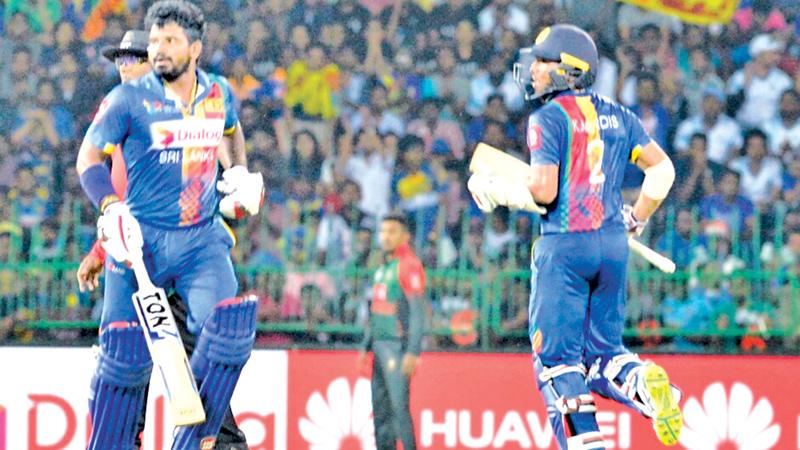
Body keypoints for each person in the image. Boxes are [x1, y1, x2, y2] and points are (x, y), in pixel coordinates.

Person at [468, 24, 681, 449]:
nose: (533, 70)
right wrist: (636, 216)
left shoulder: (547, 118)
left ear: (568, 70)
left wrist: (499, 191)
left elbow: (545, 190)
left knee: (556, 365)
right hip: (613, 246)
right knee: (603, 356)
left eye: (543, 62)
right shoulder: (622, 116)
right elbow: (664, 171)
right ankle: (642, 381)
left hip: (564, 246)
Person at [74, 2, 264, 449]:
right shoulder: (127, 102)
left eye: (169, 42)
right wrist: (110, 210)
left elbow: (229, 131)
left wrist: (238, 174)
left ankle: (208, 438)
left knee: (226, 335)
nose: (158, 51)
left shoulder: (217, 93)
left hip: (199, 242)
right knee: (122, 358)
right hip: (141, 246)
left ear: (195, 48)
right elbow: (90, 161)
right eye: (153, 41)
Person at [357, 213, 426, 450]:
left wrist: (413, 352)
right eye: (383, 231)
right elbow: (376, 311)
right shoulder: (384, 267)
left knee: (399, 410)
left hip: (397, 347)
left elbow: (417, 312)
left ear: (405, 236)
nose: (385, 237)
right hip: (379, 346)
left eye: (392, 231)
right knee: (380, 412)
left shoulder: (409, 265)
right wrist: (366, 347)